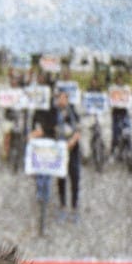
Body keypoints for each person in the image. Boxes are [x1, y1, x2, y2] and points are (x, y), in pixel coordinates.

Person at [30, 90, 81, 222]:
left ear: (67, 99)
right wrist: (33, 135)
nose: (62, 100)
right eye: (59, 98)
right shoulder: (52, 113)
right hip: (59, 151)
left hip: (73, 151)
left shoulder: (73, 112)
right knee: (62, 180)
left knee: (75, 179)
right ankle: (63, 206)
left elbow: (78, 130)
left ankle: (74, 208)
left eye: (64, 98)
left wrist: (72, 142)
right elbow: (45, 129)